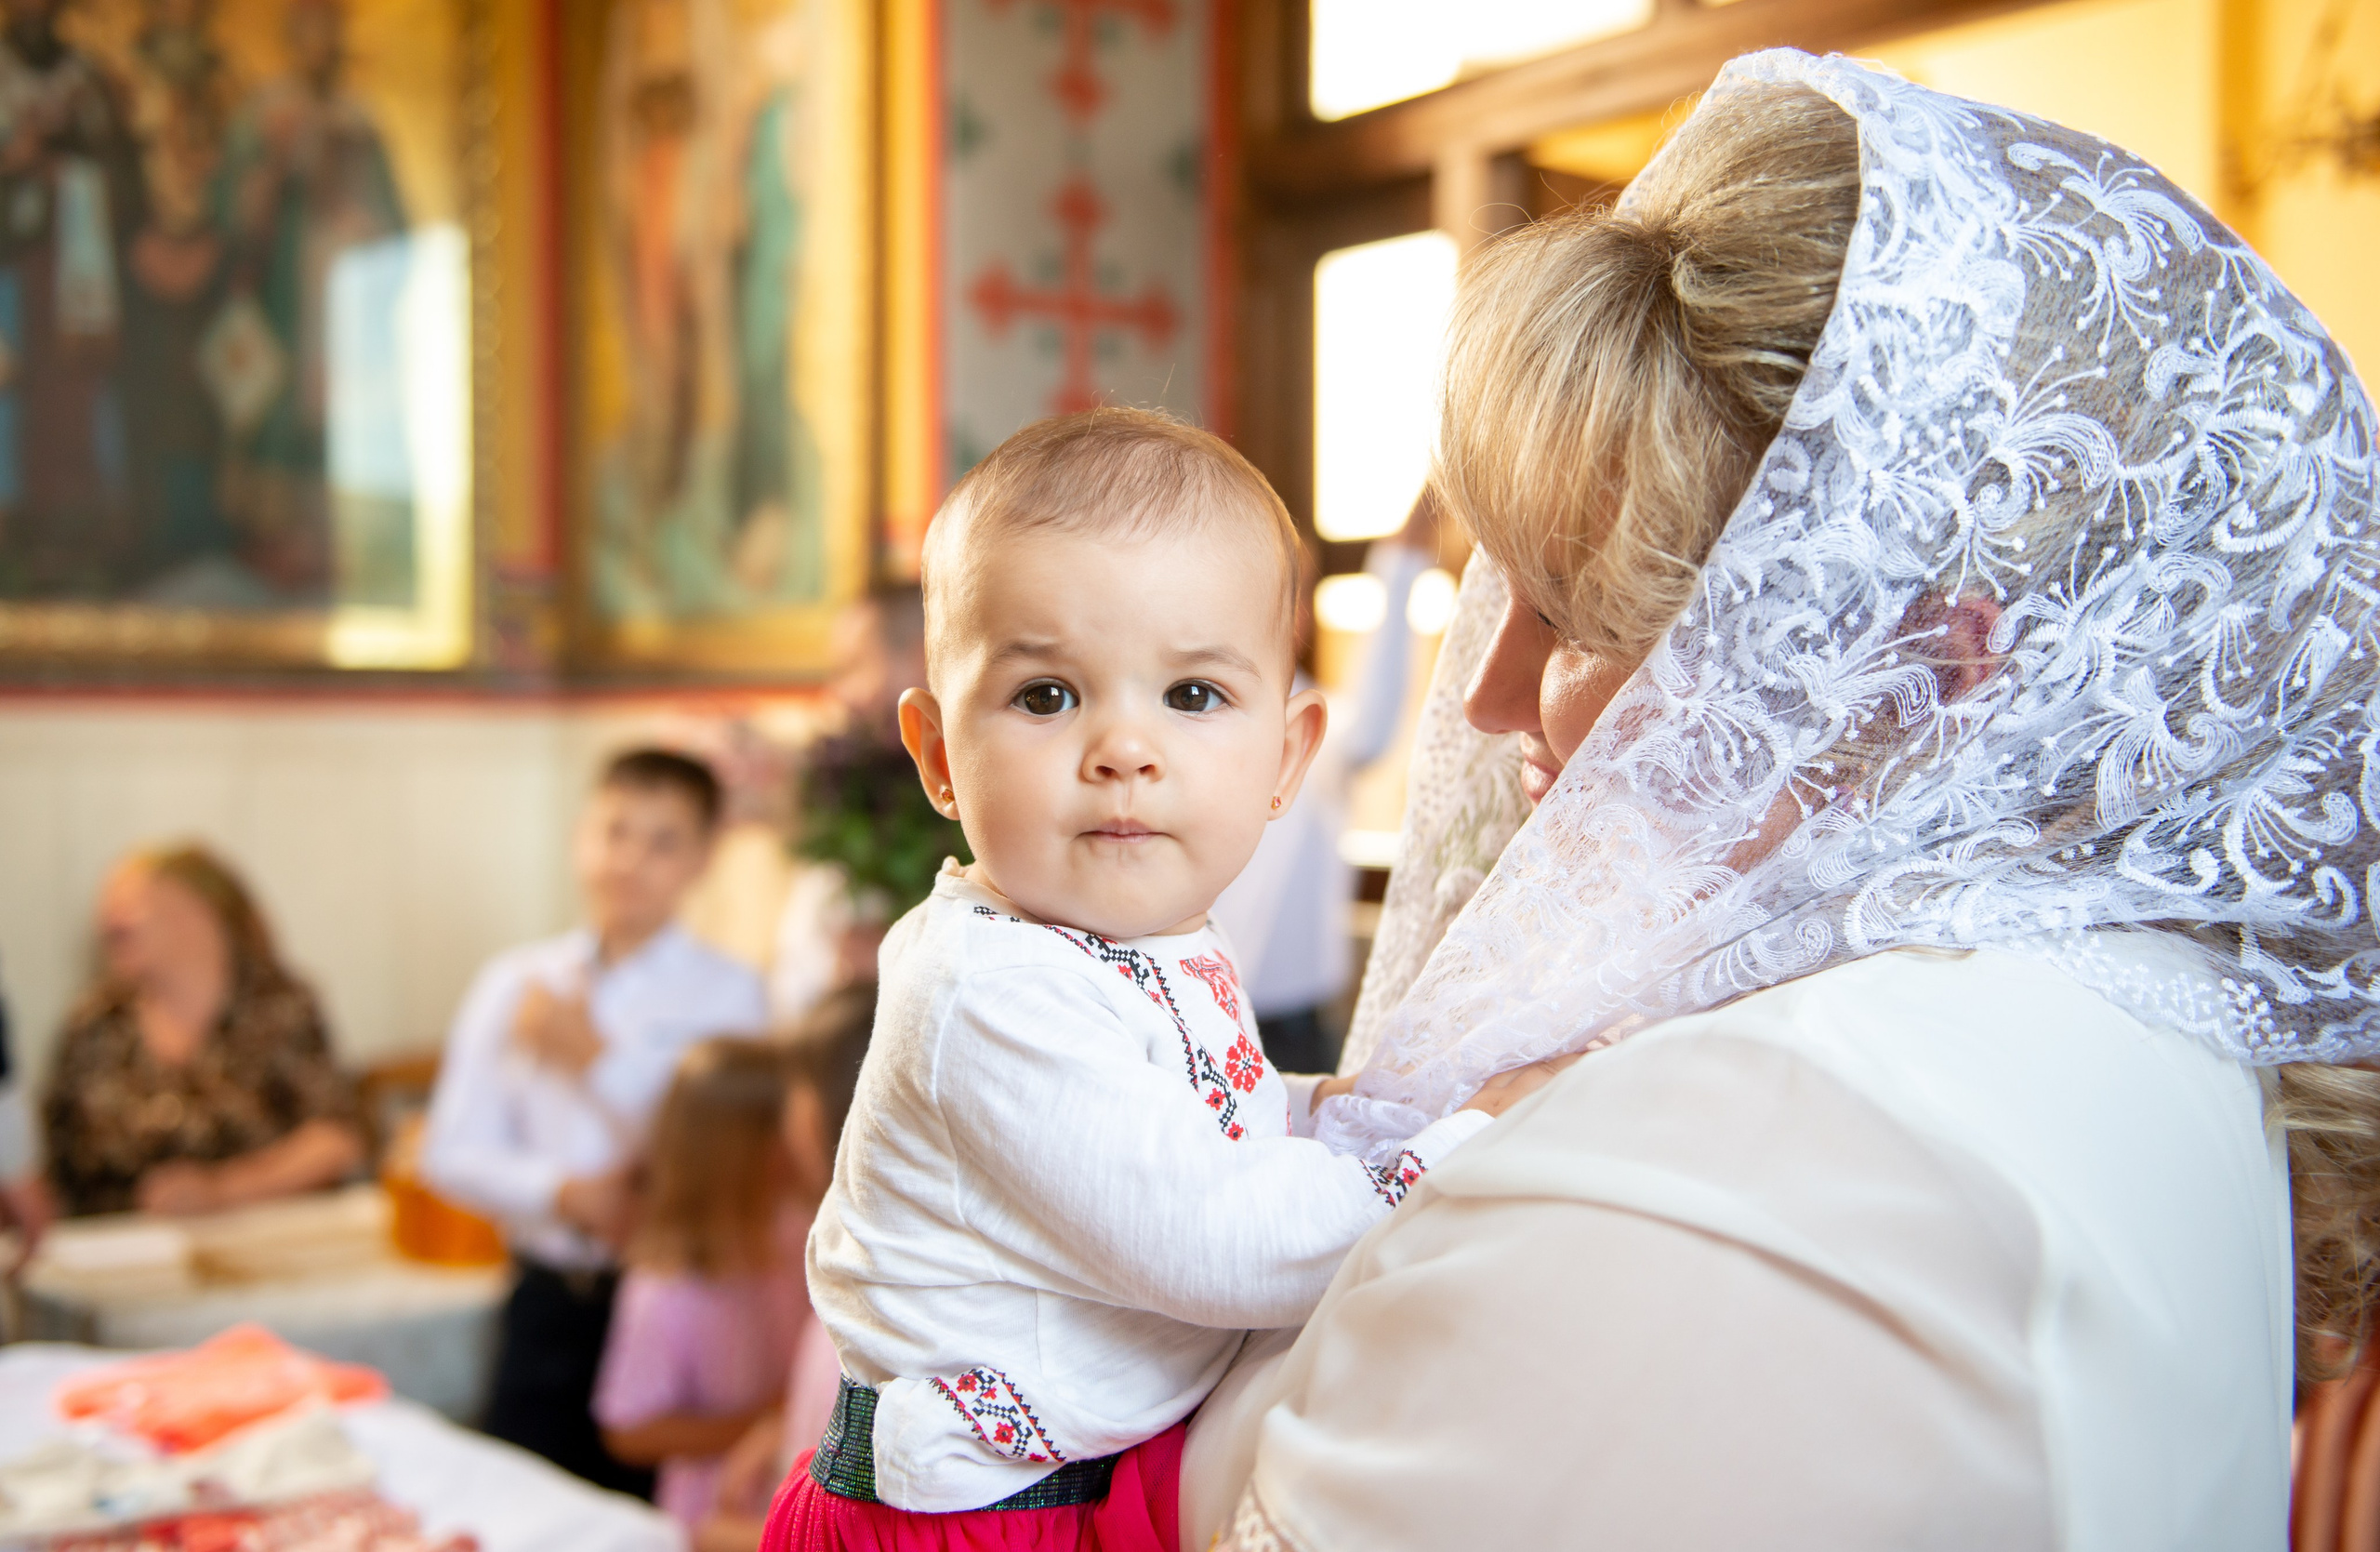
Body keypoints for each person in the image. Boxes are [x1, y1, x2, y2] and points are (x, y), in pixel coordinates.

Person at [1181, 50, 2380, 1549]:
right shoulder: (2131, 1013)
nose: (1488, 699)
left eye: (1581, 617)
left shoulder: (1744, 1164)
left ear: (1913, 671)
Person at [767, 409, 1560, 1550]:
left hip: (1083, 1475)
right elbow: (1223, 1242)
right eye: (1047, 697)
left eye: (1191, 696)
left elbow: (1179, 1116)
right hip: (970, 1520)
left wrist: (1311, 1108)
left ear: (1286, 757)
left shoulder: (1147, 940)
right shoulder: (985, 988)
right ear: (941, 756)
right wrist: (1448, 1150)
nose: (1123, 749)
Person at [423, 748, 767, 1495]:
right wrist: (564, 1192)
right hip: (546, 1295)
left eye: (662, 841)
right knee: (520, 1503)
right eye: (615, 831)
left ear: (703, 857)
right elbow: (449, 1150)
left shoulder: (733, 995)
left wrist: (596, 1058)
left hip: (668, 1300)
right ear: (582, 836)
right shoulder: (516, 982)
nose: (629, 860)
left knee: (646, 1518)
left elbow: (720, 1150)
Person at [1210, 499, 1439, 1074]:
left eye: (1297, 594)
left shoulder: (1319, 727)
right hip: (1201, 1002)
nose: (1290, 612)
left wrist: (1402, 565)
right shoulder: (1184, 721)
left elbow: (1373, 722)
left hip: (1296, 1020)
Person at [41, 845, 361, 1219]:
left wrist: (221, 1190)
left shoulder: (275, 1005)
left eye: (129, 904)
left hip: (255, 1237)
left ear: (198, 910)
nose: (108, 922)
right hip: (112, 1247)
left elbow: (337, 1138)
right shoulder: (94, 1022)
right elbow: (49, 1170)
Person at [594, 1036, 804, 1533]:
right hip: (717, 1513)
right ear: (746, 1148)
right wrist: (760, 1422)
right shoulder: (668, 1286)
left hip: (794, 1487)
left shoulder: (798, 1232)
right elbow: (628, 1430)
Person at [694, 981, 877, 1552]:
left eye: (796, 1091)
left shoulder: (883, 1305)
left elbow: (862, 1534)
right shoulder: (843, 1243)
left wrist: (738, 1538)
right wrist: (779, 1434)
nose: (785, 1116)